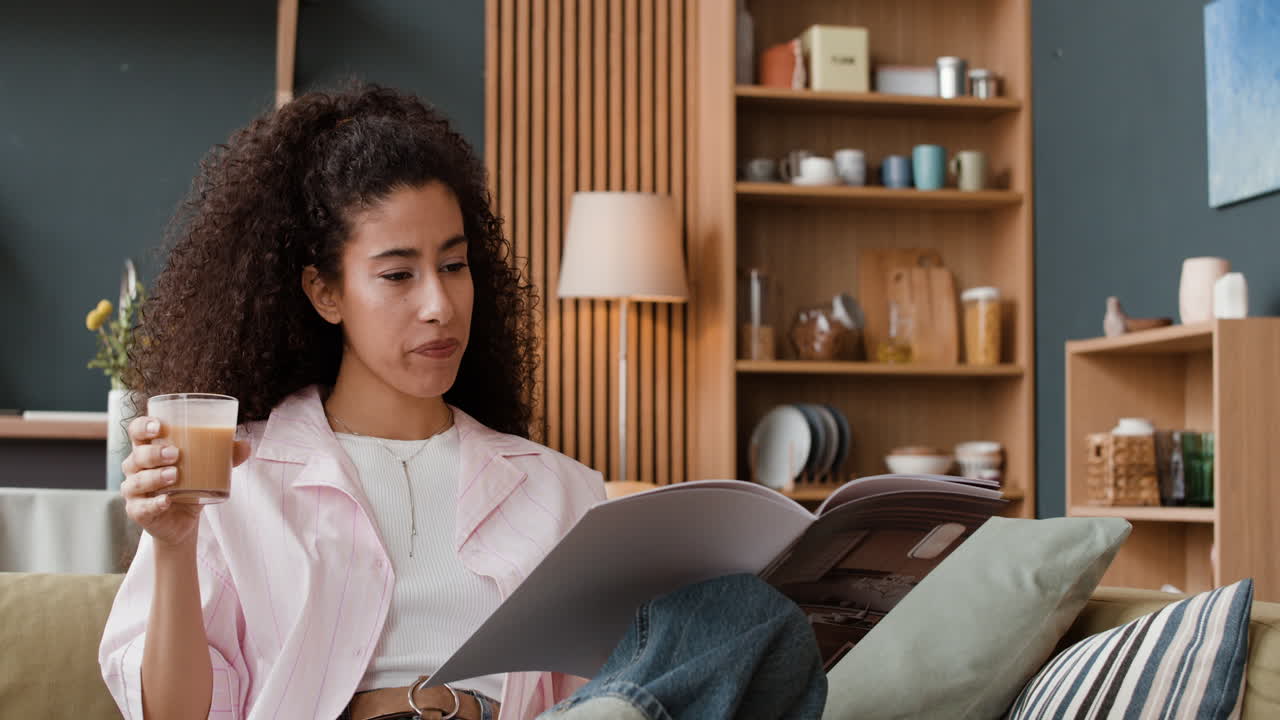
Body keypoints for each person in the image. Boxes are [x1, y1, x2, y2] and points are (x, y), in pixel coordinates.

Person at [98, 84, 826, 720]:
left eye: (454, 265)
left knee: (750, 615)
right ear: (325, 292)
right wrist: (172, 544)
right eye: (397, 275)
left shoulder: (556, 486)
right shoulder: (235, 478)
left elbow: (618, 678)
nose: (440, 305)